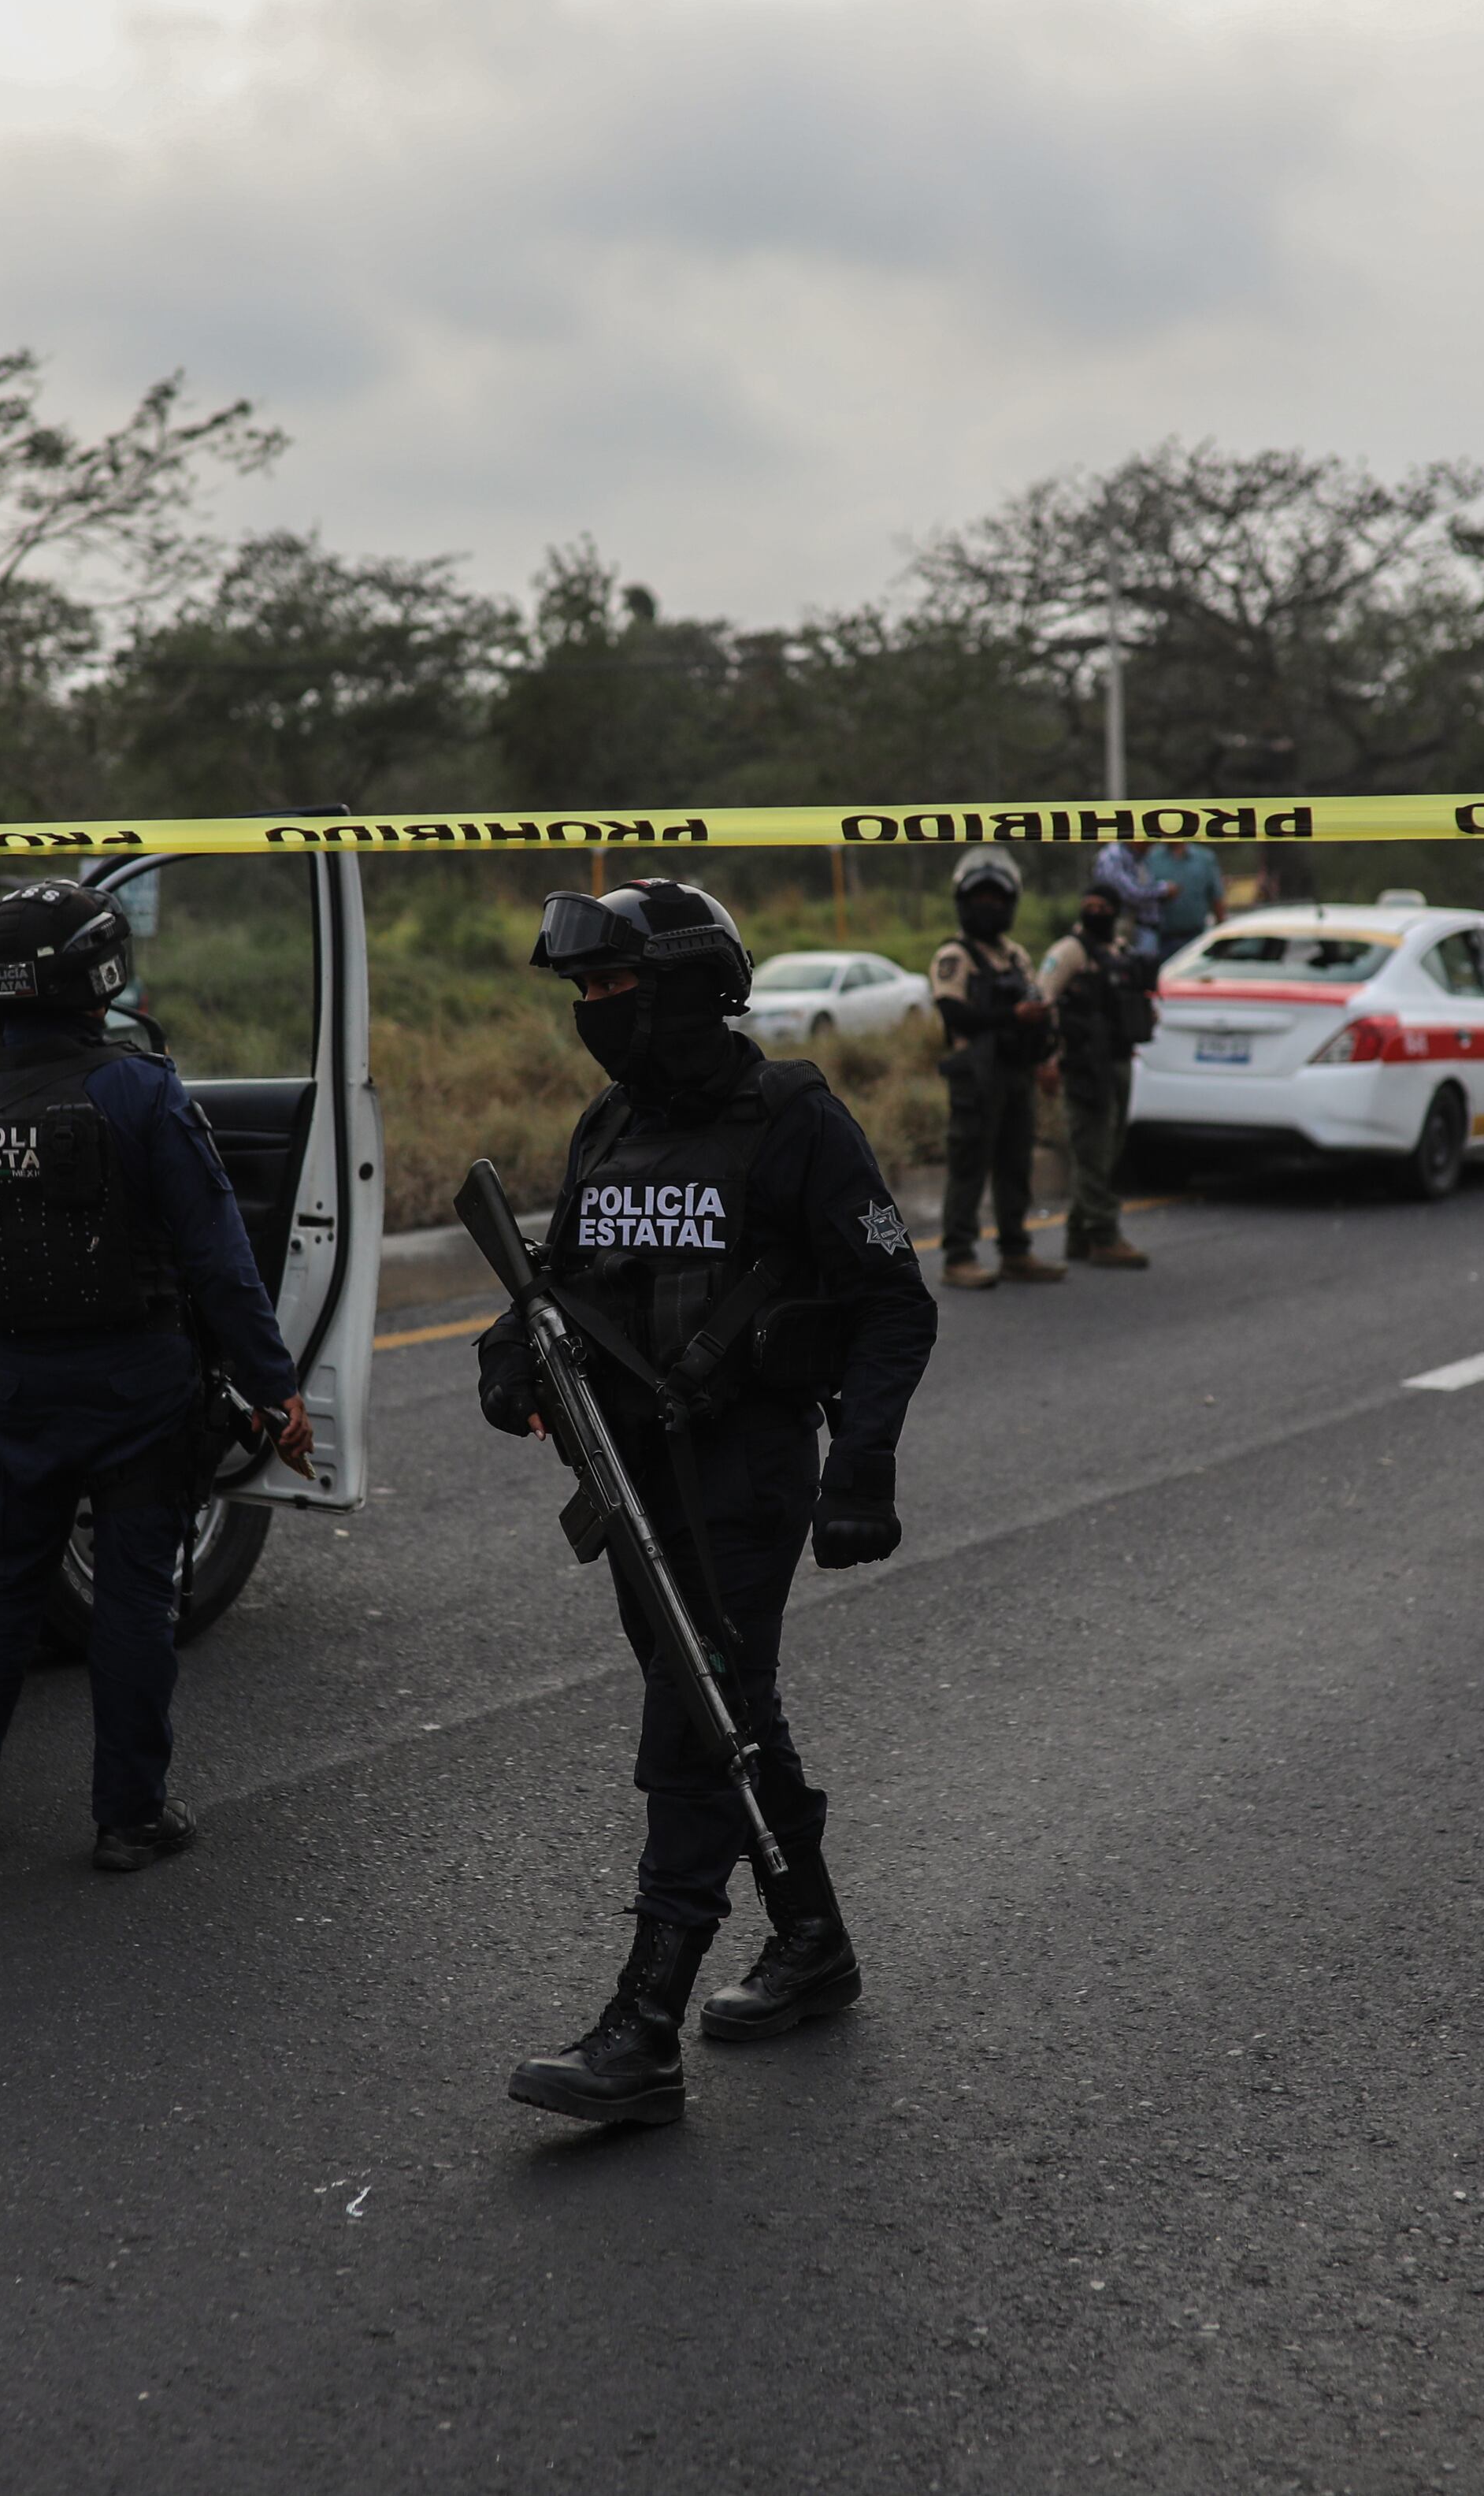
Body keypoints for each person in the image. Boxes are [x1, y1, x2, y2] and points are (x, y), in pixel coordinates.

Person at [479, 879, 938, 2126]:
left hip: (746, 1468)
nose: (594, 1014)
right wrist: (508, 1354)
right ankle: (813, 1940)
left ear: (686, 987)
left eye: (613, 990)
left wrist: (864, 1471)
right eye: (582, 995)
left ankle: (645, 2023)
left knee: (696, 1715)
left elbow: (895, 1305)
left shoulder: (793, 1118)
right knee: (729, 1703)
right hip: (626, 1476)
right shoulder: (609, 1128)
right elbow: (565, 1284)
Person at [0, 879, 313, 1874]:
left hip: (16, 1383)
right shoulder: (142, 1091)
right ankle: (130, 1817)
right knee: (132, 1600)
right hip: (138, 1386)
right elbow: (219, 1260)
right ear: (101, 976)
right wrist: (274, 1385)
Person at [930, 844, 1060, 1291]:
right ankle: (958, 1256)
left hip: (1016, 1073)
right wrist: (1011, 1018)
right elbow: (954, 1015)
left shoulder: (1017, 956)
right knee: (969, 1165)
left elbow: (1039, 1008)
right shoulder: (955, 956)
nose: (990, 907)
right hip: (976, 1078)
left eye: (998, 899)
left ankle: (1016, 1252)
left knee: (1016, 1164)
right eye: (981, 899)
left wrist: (1046, 1055)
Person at [1035, 878, 1158, 1269]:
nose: (1096, 914)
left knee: (1109, 1149)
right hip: (1084, 1065)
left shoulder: (1120, 952)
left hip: (1119, 1061)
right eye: (1090, 905)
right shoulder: (1070, 952)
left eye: (1104, 908)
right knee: (1092, 1151)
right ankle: (1104, 1235)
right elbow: (1042, 1001)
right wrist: (1047, 1059)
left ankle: (1078, 1235)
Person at [1102, 836, 1226, 966]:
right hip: (1161, 940)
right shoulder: (1149, 856)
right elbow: (1135, 891)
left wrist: (1221, 937)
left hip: (1196, 937)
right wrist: (1163, 891)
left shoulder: (1204, 859)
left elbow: (1216, 897)